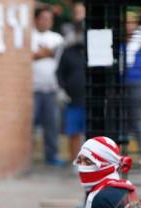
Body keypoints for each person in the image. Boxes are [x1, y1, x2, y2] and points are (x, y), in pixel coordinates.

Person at [31, 5, 65, 166]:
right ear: (36, 19)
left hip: (52, 89)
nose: (46, 21)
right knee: (30, 125)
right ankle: (27, 158)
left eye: (49, 19)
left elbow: (60, 57)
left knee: (52, 126)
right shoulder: (29, 36)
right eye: (43, 18)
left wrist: (42, 53)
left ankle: (52, 156)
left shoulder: (57, 38)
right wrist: (48, 53)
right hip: (32, 90)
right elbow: (31, 55)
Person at [124, 9, 141, 166]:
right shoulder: (121, 40)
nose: (128, 26)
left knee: (138, 119)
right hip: (123, 84)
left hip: (138, 82)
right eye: (126, 23)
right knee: (124, 120)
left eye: (131, 22)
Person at [57, 20, 86, 163]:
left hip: (92, 101)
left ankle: (92, 162)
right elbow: (59, 73)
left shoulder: (95, 51)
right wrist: (61, 90)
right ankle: (76, 161)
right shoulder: (68, 52)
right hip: (73, 100)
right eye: (79, 31)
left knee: (92, 134)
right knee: (74, 132)